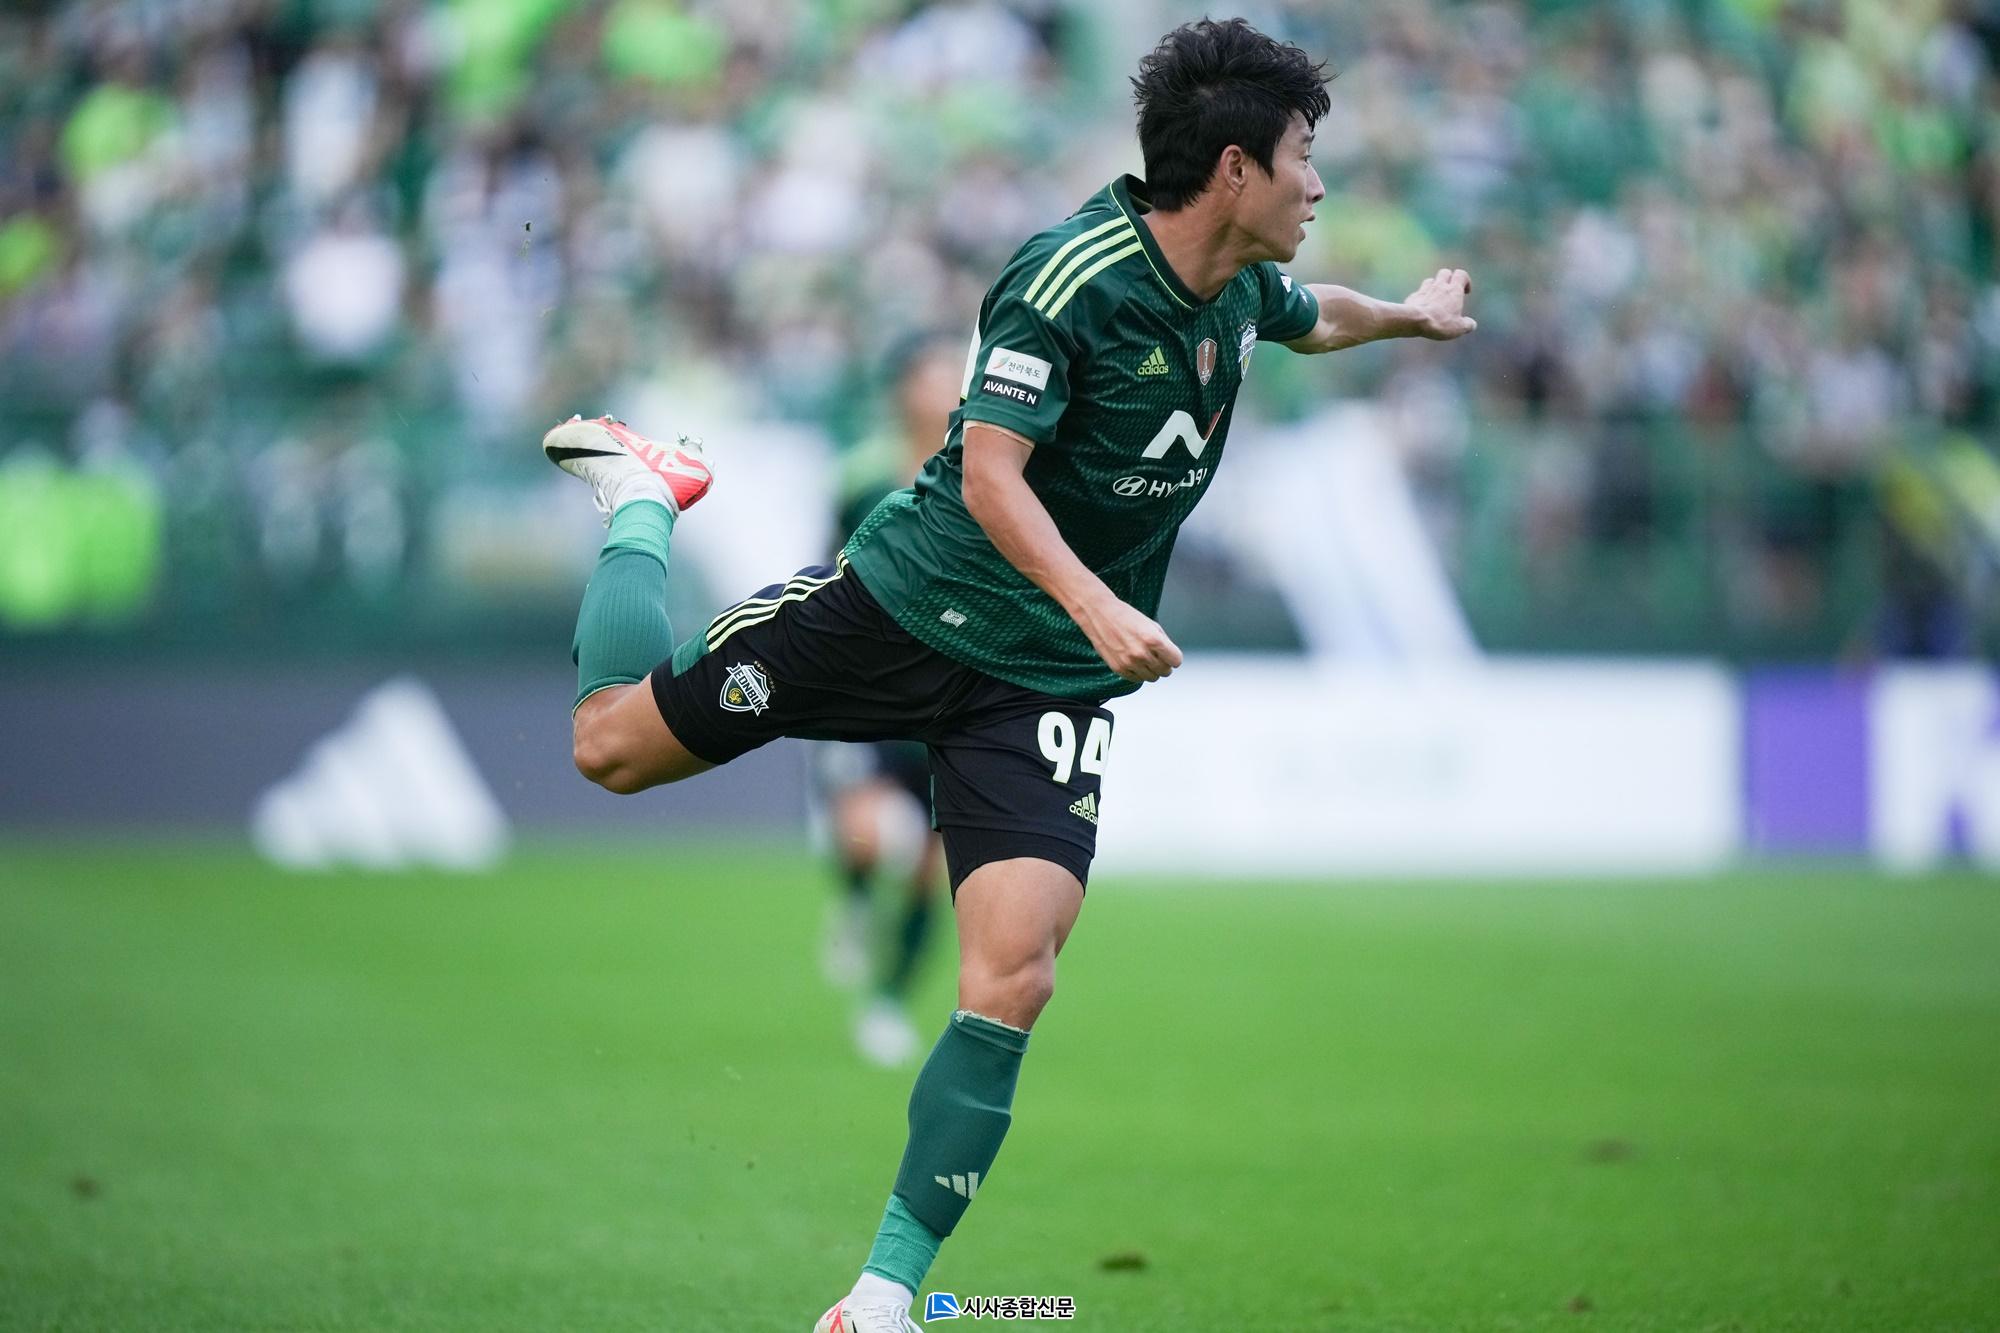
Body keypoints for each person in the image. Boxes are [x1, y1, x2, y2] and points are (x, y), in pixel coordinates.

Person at [544, 18, 1475, 1332]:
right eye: (1302, 157)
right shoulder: (1069, 276)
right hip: (901, 610)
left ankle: (881, 1296)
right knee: (610, 748)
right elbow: (989, 476)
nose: (1317, 184)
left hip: (1041, 684)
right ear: (1233, 169)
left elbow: (1314, 317)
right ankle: (643, 494)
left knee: (1015, 973)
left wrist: (1409, 318)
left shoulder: (1238, 287)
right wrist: (1098, 602)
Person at [817, 336, 962, 1068]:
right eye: (934, 375)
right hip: (869, 695)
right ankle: (850, 901)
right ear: (904, 389)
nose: (949, 386)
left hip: (952, 699)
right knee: (866, 836)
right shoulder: (863, 477)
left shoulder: (987, 471)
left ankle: (888, 1002)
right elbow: (827, 574)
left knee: (933, 865)